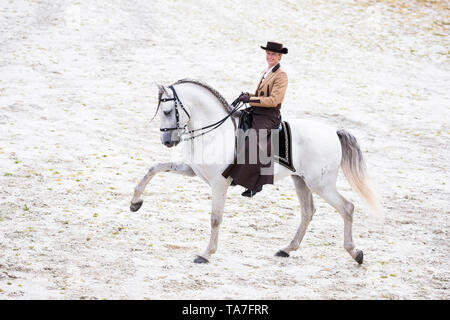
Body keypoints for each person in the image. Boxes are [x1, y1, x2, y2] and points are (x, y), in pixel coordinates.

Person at [222, 41, 288, 197]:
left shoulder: (281, 75)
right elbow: (261, 95)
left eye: (273, 54)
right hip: (258, 110)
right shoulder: (267, 71)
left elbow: (273, 100)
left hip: (269, 115)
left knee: (255, 142)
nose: (270, 56)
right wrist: (248, 96)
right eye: (268, 53)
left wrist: (250, 100)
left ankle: (256, 183)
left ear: (279, 57)